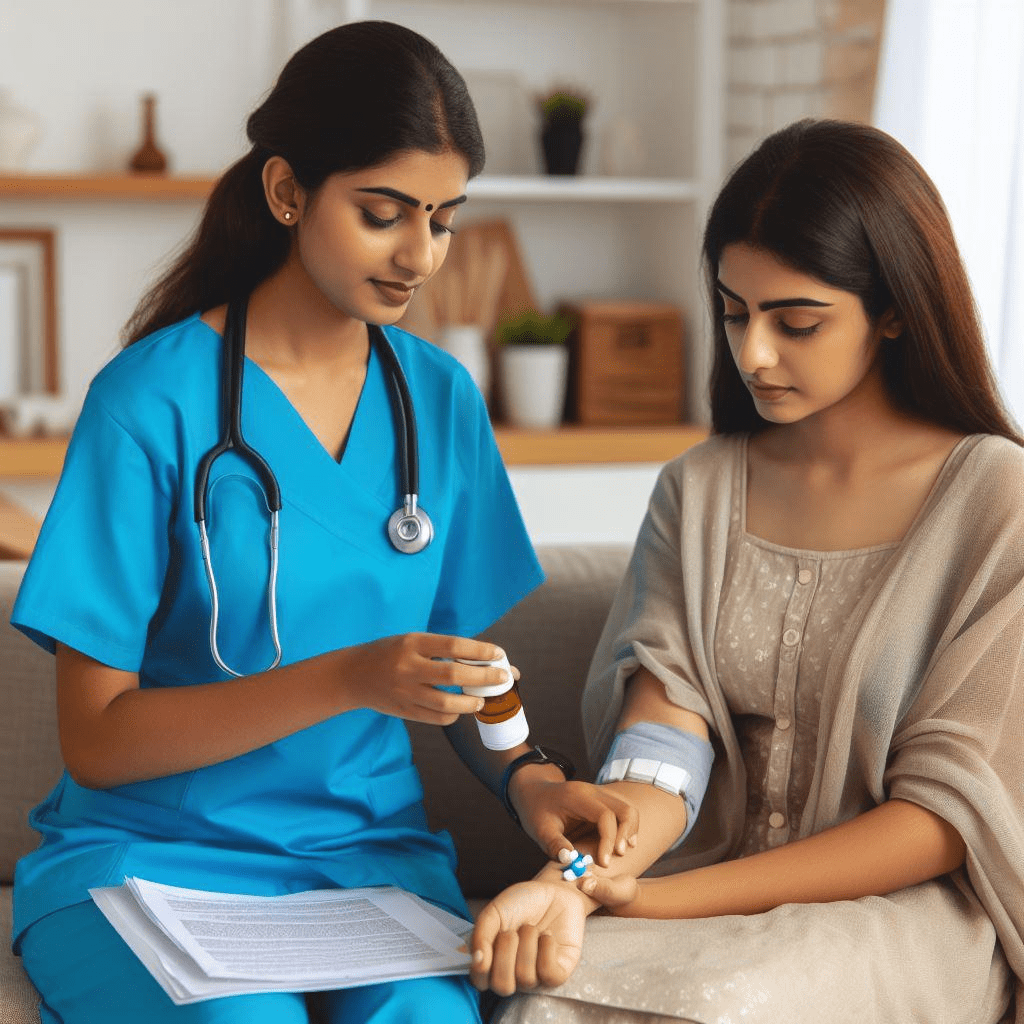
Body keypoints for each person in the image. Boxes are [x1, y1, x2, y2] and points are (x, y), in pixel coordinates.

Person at [9, 21, 634, 1024]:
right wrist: (349, 676)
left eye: (442, 219)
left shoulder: (439, 402)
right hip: (152, 863)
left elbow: (459, 673)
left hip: (365, 865)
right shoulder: (149, 402)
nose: (419, 255)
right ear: (287, 193)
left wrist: (529, 780)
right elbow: (97, 739)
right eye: (383, 213)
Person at [469, 118, 1024, 1023]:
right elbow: (662, 752)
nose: (753, 353)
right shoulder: (700, 491)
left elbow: (940, 820)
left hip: (898, 919)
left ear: (892, 309)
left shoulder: (998, 501)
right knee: (547, 1004)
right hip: (689, 879)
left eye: (797, 321)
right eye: (735, 312)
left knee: (728, 1006)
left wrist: (645, 901)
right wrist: (568, 884)